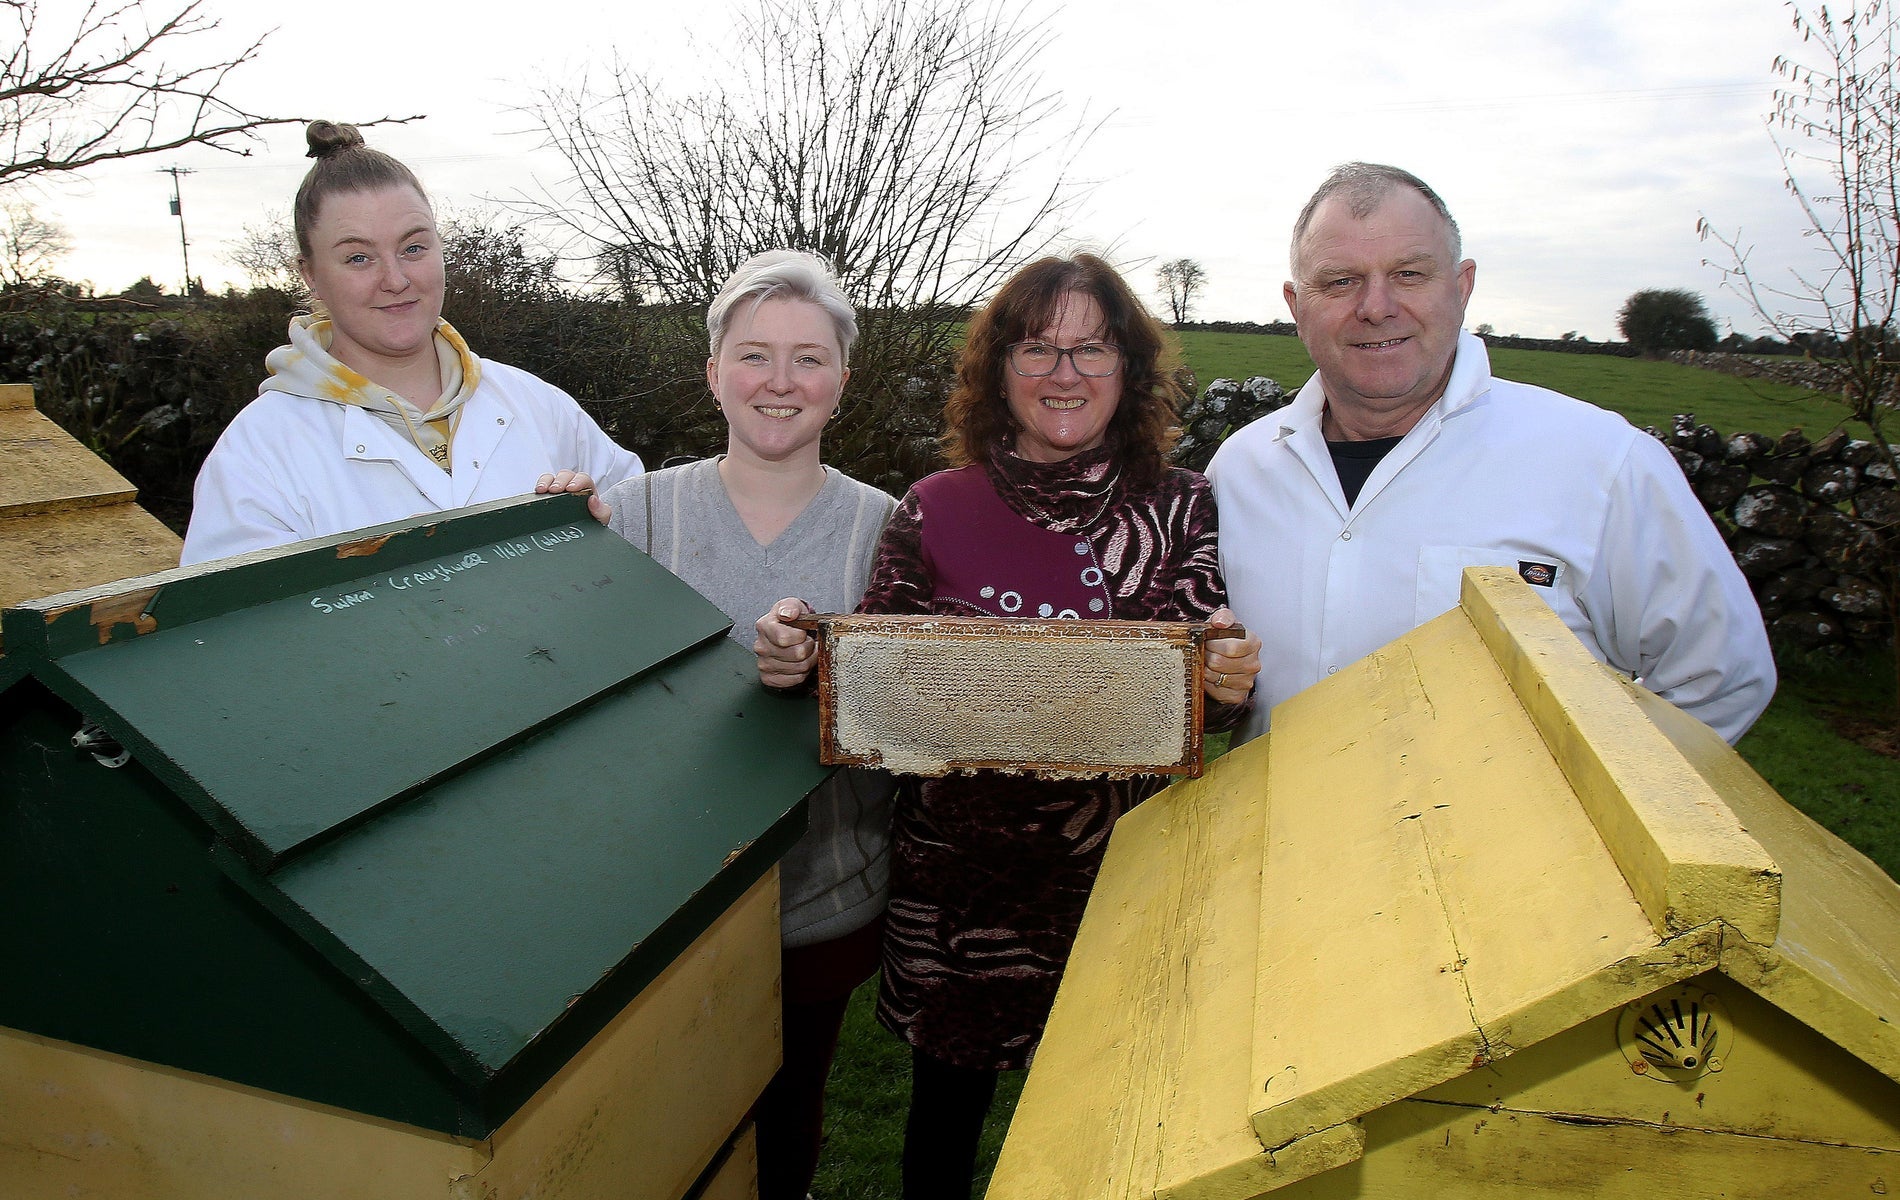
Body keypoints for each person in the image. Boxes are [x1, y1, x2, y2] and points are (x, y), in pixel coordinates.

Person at [755, 253, 1262, 1200]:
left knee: (1106, 1140)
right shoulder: (936, 506)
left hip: (1121, 884)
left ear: (1129, 368)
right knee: (940, 1142)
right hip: (958, 900)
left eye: (1090, 348)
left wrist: (1224, 680)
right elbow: (880, 685)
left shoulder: (1184, 504)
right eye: (1036, 348)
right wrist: (807, 661)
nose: (1063, 374)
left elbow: (1200, 681)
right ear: (999, 370)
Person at [1207, 162, 1774, 745]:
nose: (1376, 306)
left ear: (1462, 286)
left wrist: (1583, 816)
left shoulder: (1603, 462)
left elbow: (1721, 680)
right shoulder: (1239, 470)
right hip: (1273, 835)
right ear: (1295, 304)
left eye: (1408, 273)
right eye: (1339, 282)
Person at [599, 250, 896, 1200]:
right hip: (658, 904)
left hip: (822, 897)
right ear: (713, 371)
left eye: (808, 359)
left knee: (788, 1111)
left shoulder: (891, 528)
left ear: (842, 382)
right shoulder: (634, 514)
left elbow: (913, 718)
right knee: (664, 1124)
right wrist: (551, 535)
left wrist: (823, 680)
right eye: (754, 355)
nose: (780, 382)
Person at [181, 121, 641, 566]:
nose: (396, 279)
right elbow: (238, 630)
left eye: (413, 248)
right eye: (358, 257)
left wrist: (599, 530)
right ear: (311, 276)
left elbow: (647, 530)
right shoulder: (257, 454)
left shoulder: (536, 404)